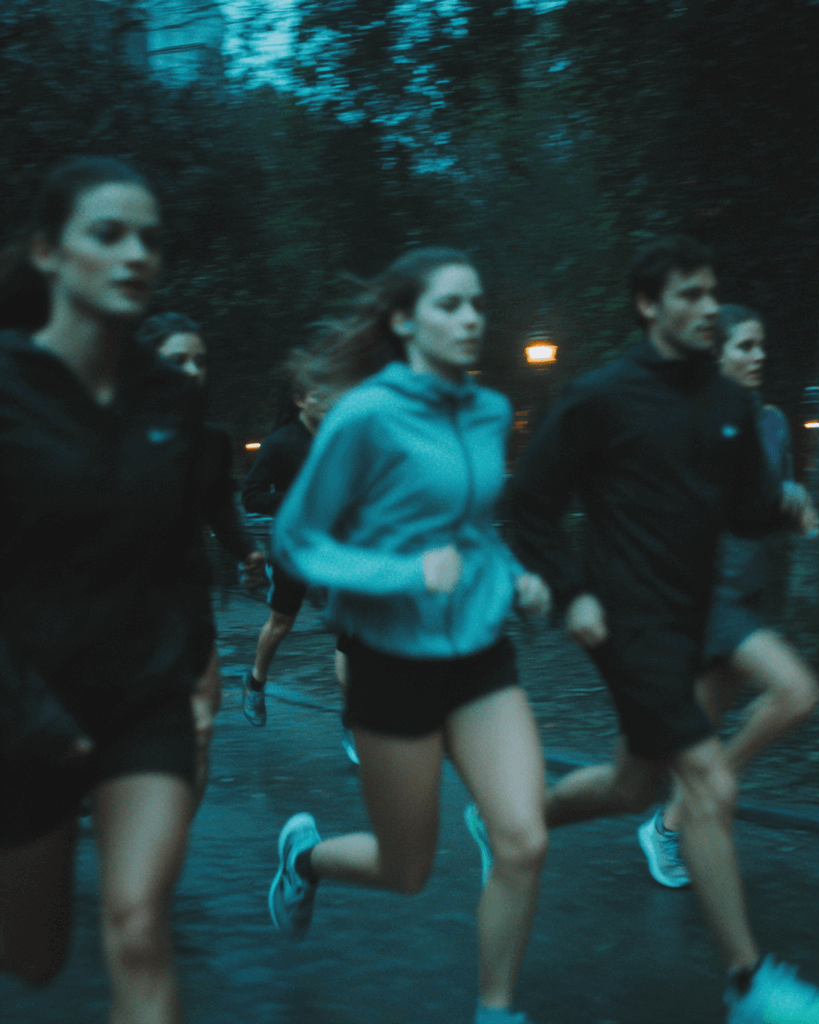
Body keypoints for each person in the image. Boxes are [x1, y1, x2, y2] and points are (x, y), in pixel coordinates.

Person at [503, 237, 819, 1023]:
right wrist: (572, 593)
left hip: (696, 617)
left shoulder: (729, 407)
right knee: (707, 781)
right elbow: (529, 503)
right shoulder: (599, 399)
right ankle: (749, 985)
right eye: (688, 296)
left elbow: (738, 509)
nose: (703, 309)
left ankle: (516, 822)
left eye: (709, 293)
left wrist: (782, 510)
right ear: (649, 305)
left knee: (633, 786)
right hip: (627, 623)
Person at [269, 247, 551, 1024]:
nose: (471, 320)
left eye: (478, 305)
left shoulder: (489, 412)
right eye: (450, 305)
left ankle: (496, 1011)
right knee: (408, 869)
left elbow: (472, 529)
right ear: (402, 320)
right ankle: (306, 857)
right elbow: (298, 541)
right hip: (390, 660)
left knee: (523, 840)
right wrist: (401, 575)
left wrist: (512, 574)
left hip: (481, 655)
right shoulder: (364, 414)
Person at [0, 157, 206, 1024]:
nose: (136, 256)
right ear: (49, 252)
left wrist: (192, 667)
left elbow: (179, 554)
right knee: (34, 960)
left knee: (136, 923)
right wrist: (30, 715)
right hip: (22, 708)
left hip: (140, 700)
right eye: (109, 235)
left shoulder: (172, 398)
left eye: (151, 241)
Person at [638, 304, 819, 889]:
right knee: (798, 694)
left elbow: (767, 505)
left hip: (746, 595)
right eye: (745, 346)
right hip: (702, 599)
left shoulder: (772, 423)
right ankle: (519, 824)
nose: (758, 356)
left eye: (761, 345)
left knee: (677, 753)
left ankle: (665, 830)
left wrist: (793, 503)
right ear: (714, 355)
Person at [137, 311, 267, 800]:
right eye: (176, 361)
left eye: (200, 361)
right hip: (116, 613)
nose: (192, 371)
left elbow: (220, 511)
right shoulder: (109, 433)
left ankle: (164, 849)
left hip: (189, 604)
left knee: (198, 732)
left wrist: (248, 552)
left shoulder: (212, 442)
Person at [239, 349, 343, 730]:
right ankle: (255, 682)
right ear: (300, 399)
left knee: (349, 627)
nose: (329, 400)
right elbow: (251, 495)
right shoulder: (281, 442)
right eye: (319, 395)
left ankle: (354, 721)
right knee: (282, 623)